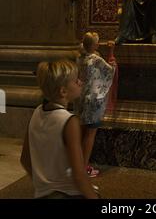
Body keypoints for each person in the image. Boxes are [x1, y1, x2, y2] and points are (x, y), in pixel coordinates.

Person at [20, 60, 99, 199]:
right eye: (76, 80)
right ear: (63, 91)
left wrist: (43, 185)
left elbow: (25, 159)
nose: (80, 82)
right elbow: (79, 175)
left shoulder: (37, 112)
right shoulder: (69, 121)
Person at [74, 33, 117, 177]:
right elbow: (110, 69)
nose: (99, 45)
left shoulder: (80, 58)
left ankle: (75, 164)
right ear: (94, 45)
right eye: (97, 43)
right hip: (93, 100)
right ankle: (84, 168)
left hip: (80, 98)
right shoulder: (96, 59)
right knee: (90, 134)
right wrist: (111, 51)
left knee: (80, 132)